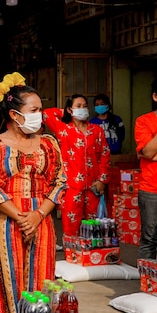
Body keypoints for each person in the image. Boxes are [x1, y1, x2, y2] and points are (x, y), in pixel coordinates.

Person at [0, 74, 67, 313]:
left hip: (42, 220)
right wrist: (22, 218)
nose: (41, 115)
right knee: (7, 281)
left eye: (41, 109)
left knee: (41, 281)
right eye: (35, 109)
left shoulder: (49, 143)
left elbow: (60, 181)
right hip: (6, 221)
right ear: (15, 114)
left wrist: (37, 215)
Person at [43, 94, 110, 237]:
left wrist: (102, 180)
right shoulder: (64, 129)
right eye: (78, 106)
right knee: (71, 226)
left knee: (94, 227)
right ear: (70, 109)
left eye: (85, 106)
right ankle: (72, 256)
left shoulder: (97, 130)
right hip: (71, 186)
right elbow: (46, 114)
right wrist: (64, 113)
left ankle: (92, 256)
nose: (83, 109)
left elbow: (104, 154)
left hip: (93, 186)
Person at [135, 78, 157, 260]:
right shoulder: (144, 121)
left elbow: (152, 154)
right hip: (152, 190)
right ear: (156, 97)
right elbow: (148, 151)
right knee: (150, 238)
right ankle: (147, 281)